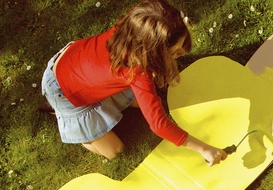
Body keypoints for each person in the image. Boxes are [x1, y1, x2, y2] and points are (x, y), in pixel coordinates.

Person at [41, 0, 227, 163]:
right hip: (63, 91)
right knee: (115, 151)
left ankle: (102, 100)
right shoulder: (137, 72)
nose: (181, 53)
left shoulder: (135, 27)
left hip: (74, 63)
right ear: (153, 53)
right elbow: (158, 124)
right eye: (174, 52)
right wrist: (204, 149)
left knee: (142, 101)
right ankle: (68, 121)